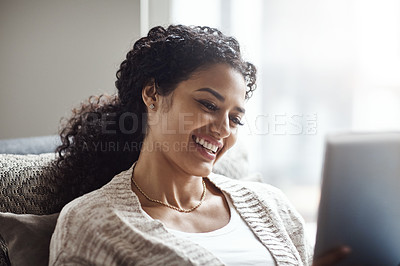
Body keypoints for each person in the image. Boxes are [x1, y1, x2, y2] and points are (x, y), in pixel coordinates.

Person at [49, 25, 349, 265]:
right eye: (208, 104)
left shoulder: (271, 205)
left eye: (235, 119)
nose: (222, 130)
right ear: (152, 94)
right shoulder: (93, 222)